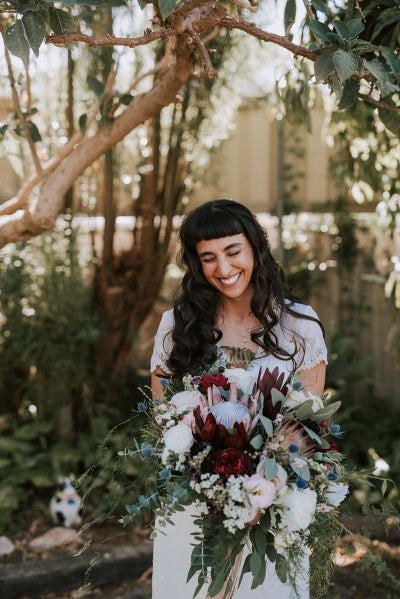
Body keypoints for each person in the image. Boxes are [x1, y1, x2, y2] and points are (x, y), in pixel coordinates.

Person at [150, 199, 327, 599]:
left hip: (271, 506)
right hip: (195, 509)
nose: (224, 269)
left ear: (255, 248)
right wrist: (215, 484)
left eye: (233, 251)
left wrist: (259, 485)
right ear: (197, 265)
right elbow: (162, 418)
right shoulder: (177, 327)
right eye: (208, 258)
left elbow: (308, 425)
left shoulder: (300, 326)